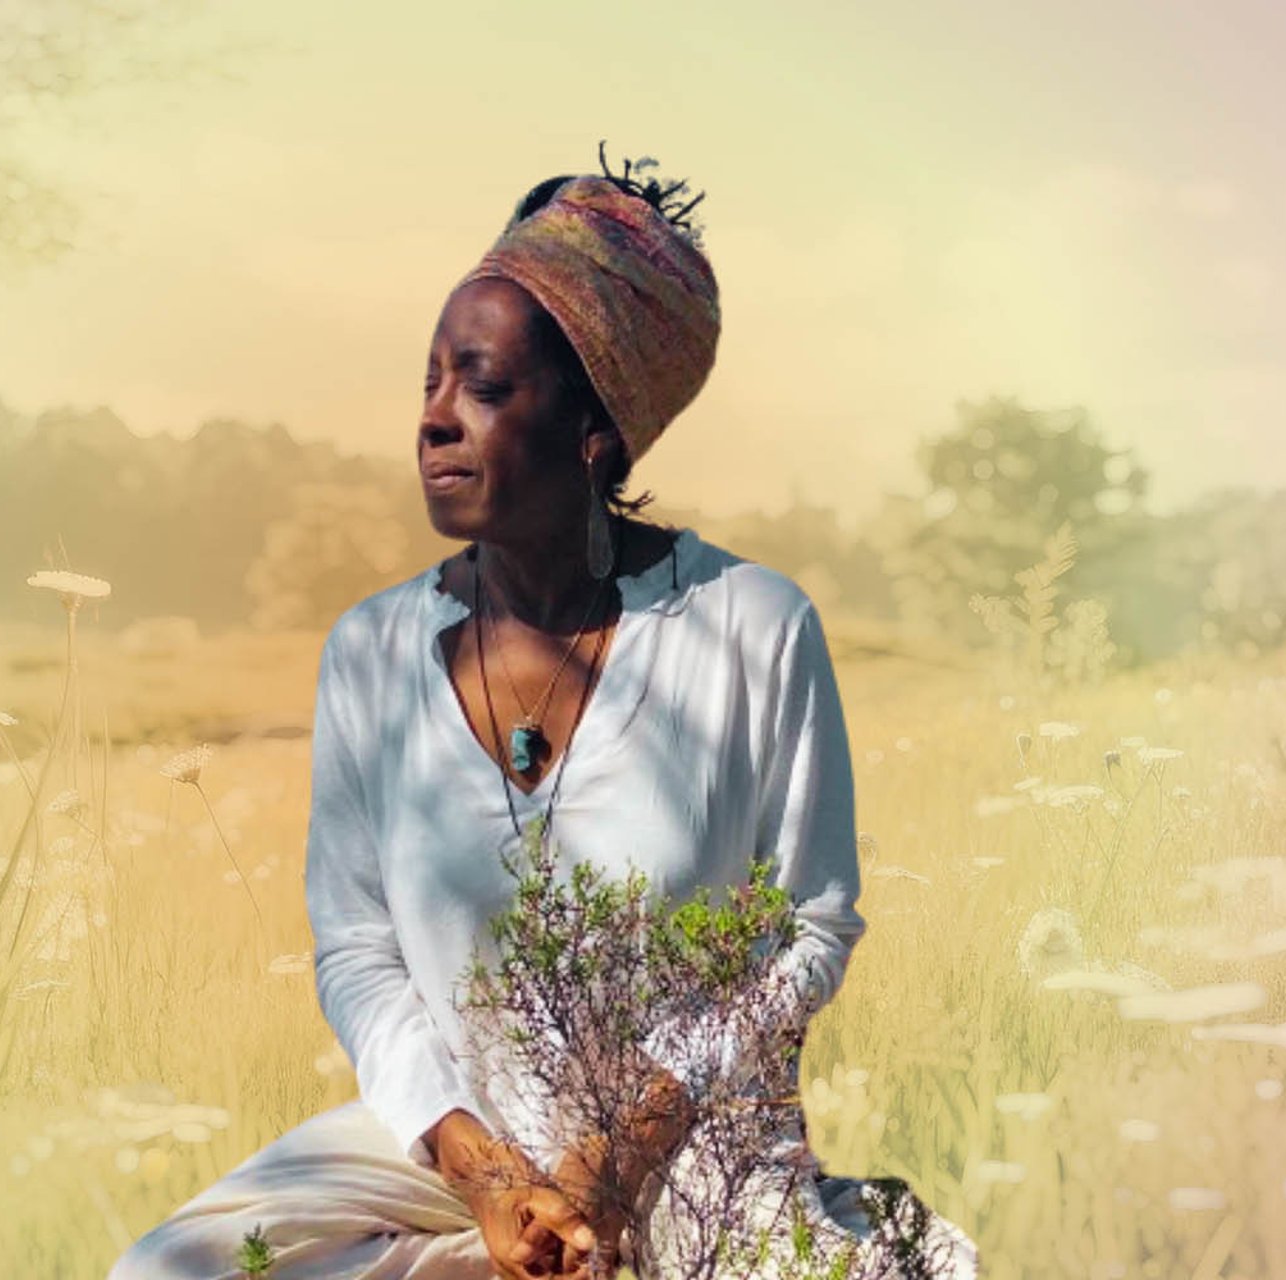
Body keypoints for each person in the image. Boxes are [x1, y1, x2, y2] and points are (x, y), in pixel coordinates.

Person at [110, 147, 979, 1280]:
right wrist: (485, 1174)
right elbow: (361, 951)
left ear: (596, 431)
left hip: (692, 1151)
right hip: (444, 1151)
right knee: (170, 1269)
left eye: (481, 386)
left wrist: (613, 1162)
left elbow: (807, 931)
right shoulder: (372, 653)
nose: (432, 421)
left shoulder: (753, 631)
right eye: (426, 384)